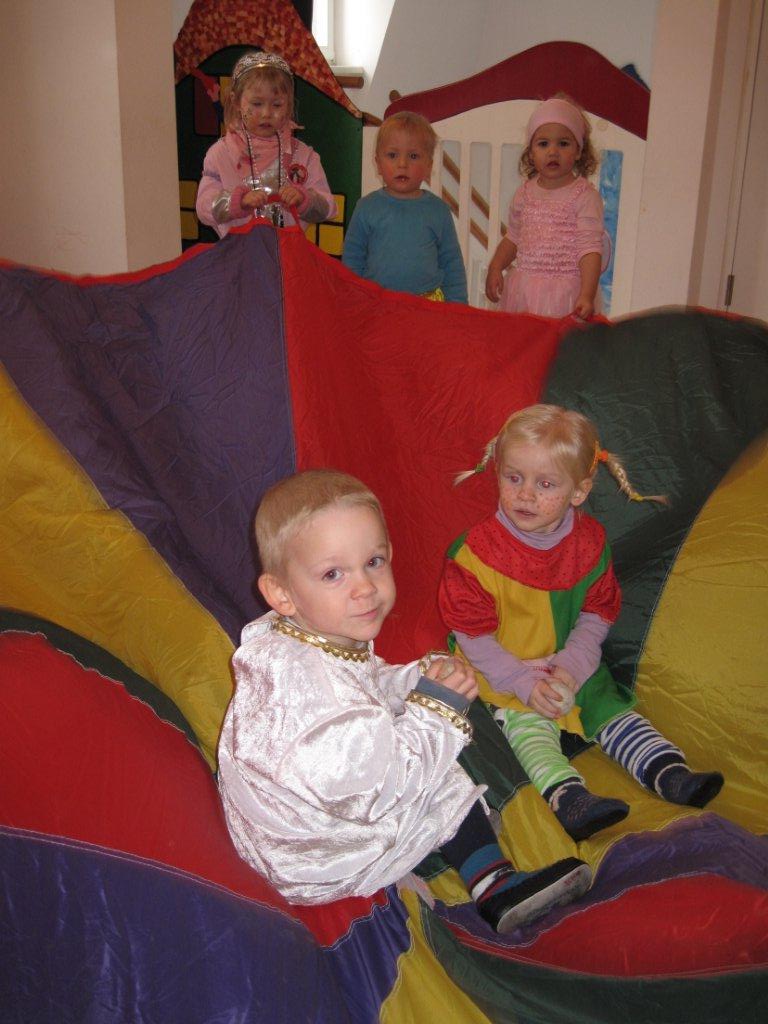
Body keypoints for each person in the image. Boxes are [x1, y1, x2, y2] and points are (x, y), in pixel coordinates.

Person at [217, 469, 591, 933]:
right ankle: (494, 885)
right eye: (333, 574)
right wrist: (437, 713)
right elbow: (370, 784)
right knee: (440, 768)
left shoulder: (305, 632)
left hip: (293, 818)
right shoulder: (308, 681)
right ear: (281, 593)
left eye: (373, 562)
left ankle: (454, 841)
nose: (364, 587)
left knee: (424, 733)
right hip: (315, 854)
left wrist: (416, 679)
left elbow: (363, 682)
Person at [439, 405, 724, 842]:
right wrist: (523, 681)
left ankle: (667, 770)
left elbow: (597, 612)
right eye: (513, 478)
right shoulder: (475, 555)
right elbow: (473, 636)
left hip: (572, 660)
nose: (525, 495)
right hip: (504, 670)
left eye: (545, 484)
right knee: (528, 726)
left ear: (579, 491)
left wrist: (572, 666)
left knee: (607, 704)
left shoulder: (589, 542)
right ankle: (568, 797)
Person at [485, 95, 605, 318]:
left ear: (579, 151)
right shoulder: (524, 194)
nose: (553, 151)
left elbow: (590, 249)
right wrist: (496, 267)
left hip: (565, 298)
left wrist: (587, 294)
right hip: (523, 294)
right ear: (531, 153)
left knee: (560, 341)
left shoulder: (585, 196)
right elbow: (513, 238)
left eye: (563, 143)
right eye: (543, 144)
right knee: (522, 338)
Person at [196, 51, 336, 237]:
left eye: (277, 105)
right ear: (236, 102)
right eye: (256, 104)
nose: (266, 113)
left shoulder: (303, 155)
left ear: (289, 105)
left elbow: (328, 207)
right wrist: (238, 202)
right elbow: (203, 208)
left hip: (288, 252)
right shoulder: (221, 154)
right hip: (238, 253)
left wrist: (304, 199)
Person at [342, 112, 467, 302]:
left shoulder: (438, 211)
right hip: (377, 304)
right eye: (392, 155)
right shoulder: (366, 207)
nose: (402, 164)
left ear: (429, 166)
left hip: (427, 305)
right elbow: (352, 260)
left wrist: (458, 308)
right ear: (378, 163)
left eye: (413, 156)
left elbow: (452, 264)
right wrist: (353, 301)